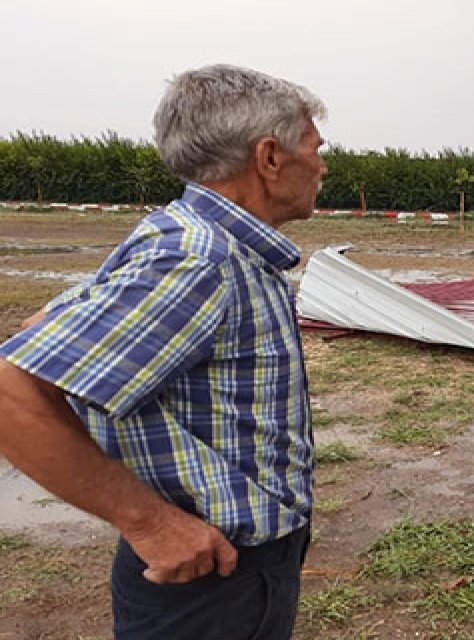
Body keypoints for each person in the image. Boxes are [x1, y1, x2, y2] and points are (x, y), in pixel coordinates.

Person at [0, 64, 327, 639]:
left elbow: (45, 326)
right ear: (269, 157)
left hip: (225, 570)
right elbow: (10, 393)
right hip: (210, 581)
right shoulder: (201, 260)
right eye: (315, 147)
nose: (322, 165)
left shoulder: (183, 232)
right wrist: (148, 522)